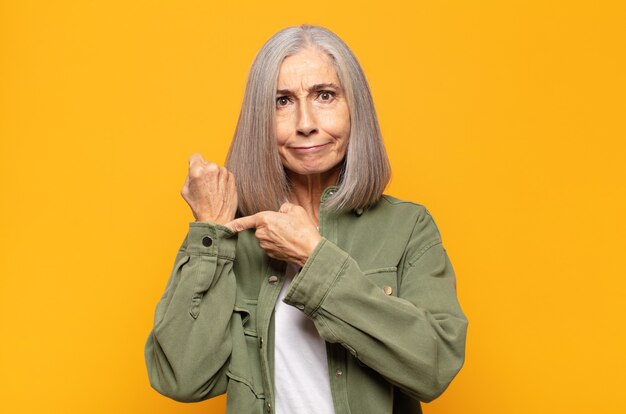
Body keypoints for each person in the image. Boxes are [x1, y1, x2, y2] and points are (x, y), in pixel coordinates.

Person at [145, 24, 468, 414]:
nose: (305, 122)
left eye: (325, 95)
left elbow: (433, 368)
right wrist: (211, 232)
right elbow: (181, 378)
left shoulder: (408, 227)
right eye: (282, 100)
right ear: (259, 118)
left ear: (356, 109)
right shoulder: (233, 234)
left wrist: (314, 259)